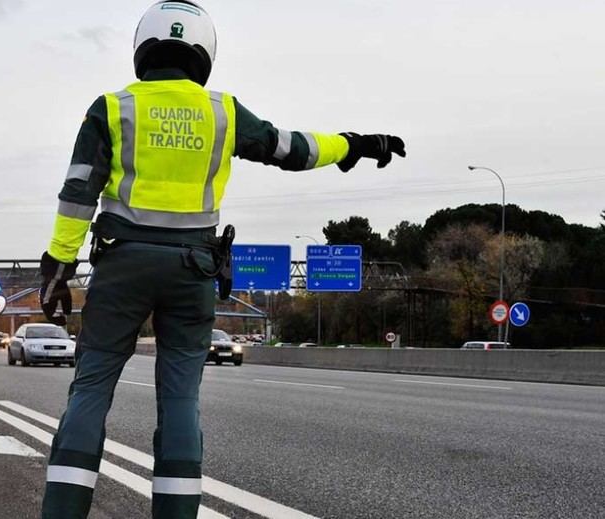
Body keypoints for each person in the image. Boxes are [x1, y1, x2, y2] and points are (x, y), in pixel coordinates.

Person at [39, 1, 406, 518]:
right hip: (193, 271)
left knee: (93, 384)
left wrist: (57, 267)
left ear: (143, 48)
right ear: (204, 52)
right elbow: (292, 148)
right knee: (181, 399)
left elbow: (78, 191)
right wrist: (351, 144)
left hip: (122, 265)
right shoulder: (223, 112)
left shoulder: (112, 107)